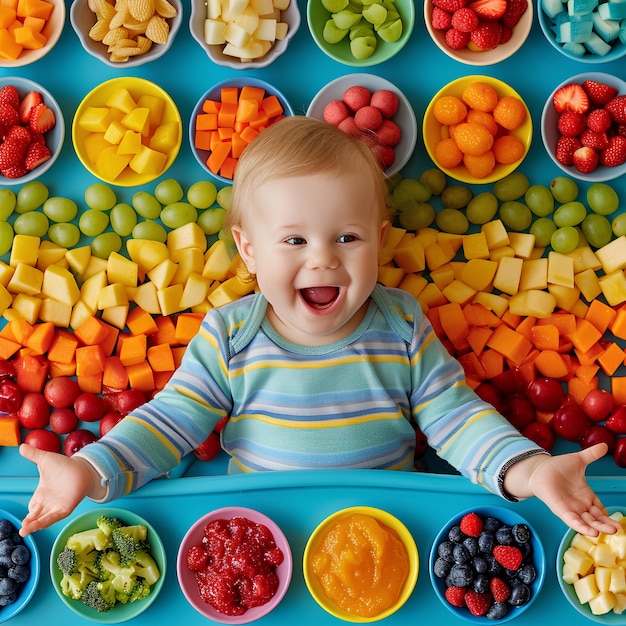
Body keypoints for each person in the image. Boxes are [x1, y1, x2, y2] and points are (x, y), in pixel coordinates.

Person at [19, 116, 618, 539]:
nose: (323, 259)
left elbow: (456, 419)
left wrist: (530, 469)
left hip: (388, 531)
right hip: (259, 537)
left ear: (380, 243)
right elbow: (171, 422)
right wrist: (90, 470)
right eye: (294, 240)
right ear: (249, 252)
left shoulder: (402, 323)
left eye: (347, 238)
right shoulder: (229, 333)